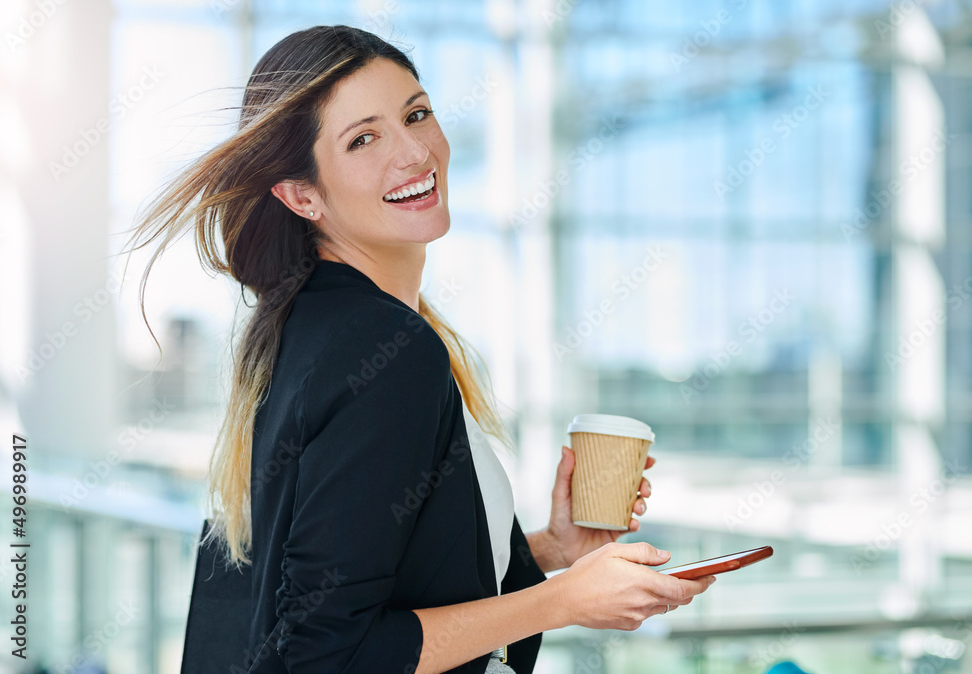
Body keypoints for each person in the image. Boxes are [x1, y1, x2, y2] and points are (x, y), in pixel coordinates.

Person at [125, 25, 715, 674]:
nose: (414, 152)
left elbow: (353, 577)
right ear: (302, 195)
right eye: (363, 139)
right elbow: (327, 653)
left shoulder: (310, 325)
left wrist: (551, 549)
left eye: (417, 114)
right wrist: (567, 602)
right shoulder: (386, 348)